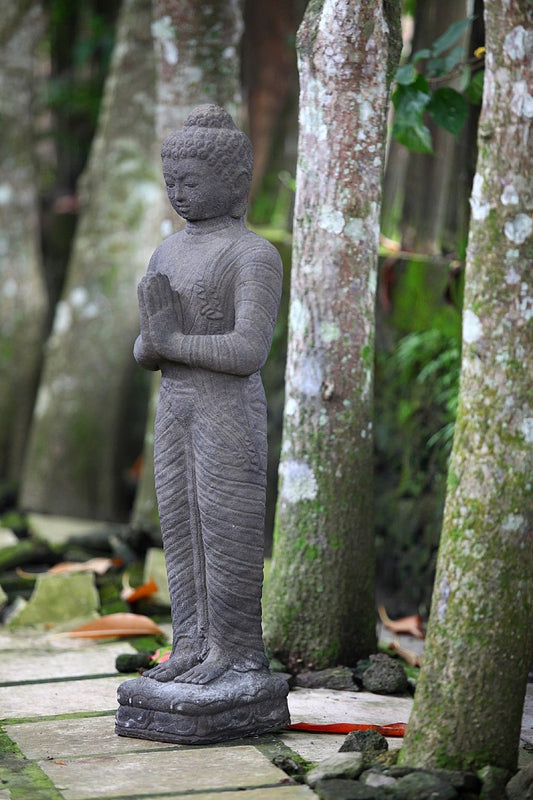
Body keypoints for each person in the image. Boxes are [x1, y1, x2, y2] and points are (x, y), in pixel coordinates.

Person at [134, 104, 283, 687]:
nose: (180, 195)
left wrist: (172, 340)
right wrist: (155, 341)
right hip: (174, 408)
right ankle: (190, 642)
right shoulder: (167, 252)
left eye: (192, 182)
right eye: (172, 183)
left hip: (227, 410)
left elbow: (249, 350)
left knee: (227, 526)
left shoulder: (253, 254)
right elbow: (146, 349)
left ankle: (238, 651)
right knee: (180, 524)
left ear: (235, 182)